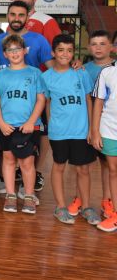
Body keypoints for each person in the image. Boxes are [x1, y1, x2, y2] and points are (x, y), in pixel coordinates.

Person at [42, 34, 99, 225]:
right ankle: (60, 206)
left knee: (83, 169)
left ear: (73, 53)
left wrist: (92, 128)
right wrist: (51, 126)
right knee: (59, 166)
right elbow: (48, 103)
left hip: (81, 130)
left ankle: (86, 206)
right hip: (59, 131)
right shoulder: (46, 77)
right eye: (60, 50)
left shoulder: (80, 73)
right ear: (53, 52)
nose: (65, 54)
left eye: (69, 50)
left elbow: (88, 100)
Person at [0, 35, 45, 214]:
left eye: (17, 49)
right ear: (5, 54)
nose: (14, 53)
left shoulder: (35, 73)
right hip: (6, 126)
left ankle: (29, 196)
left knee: (27, 162)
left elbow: (40, 100)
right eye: (10, 50)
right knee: (8, 160)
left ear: (24, 51)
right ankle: (10, 195)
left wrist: (31, 121)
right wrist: (0, 123)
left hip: (28, 126)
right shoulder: (0, 74)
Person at [80, 30, 115, 219]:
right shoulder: (83, 69)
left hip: (108, 125)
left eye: (103, 44)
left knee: (108, 166)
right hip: (86, 123)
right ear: (88, 47)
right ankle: (80, 198)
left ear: (111, 47)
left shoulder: (114, 69)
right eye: (94, 44)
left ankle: (107, 200)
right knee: (81, 164)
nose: (98, 47)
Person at [92, 56, 117, 232]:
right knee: (113, 170)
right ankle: (115, 213)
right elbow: (98, 102)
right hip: (109, 129)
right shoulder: (107, 72)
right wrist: (95, 131)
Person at [0, 1, 53, 70]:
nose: (16, 19)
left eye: (21, 15)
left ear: (27, 18)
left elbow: (53, 70)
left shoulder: (39, 40)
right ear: (7, 16)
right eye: (13, 14)